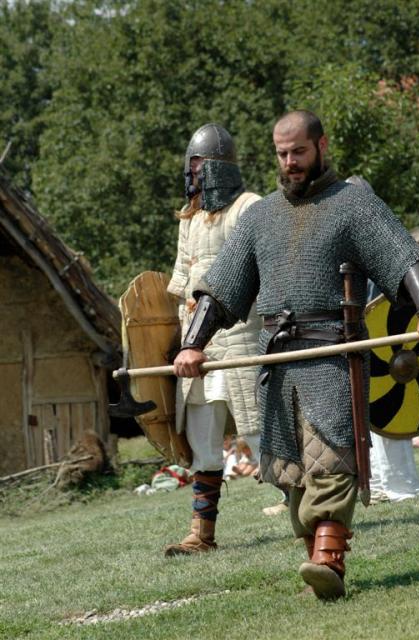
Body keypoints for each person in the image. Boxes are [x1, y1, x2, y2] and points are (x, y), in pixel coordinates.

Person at [172, 110, 419, 599]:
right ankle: (319, 563)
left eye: (299, 152)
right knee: (292, 474)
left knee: (331, 461)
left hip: (333, 354)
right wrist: (193, 343)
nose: (290, 162)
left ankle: (329, 560)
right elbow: (221, 289)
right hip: (278, 362)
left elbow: (403, 257)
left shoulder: (354, 205)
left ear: (321, 146)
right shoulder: (261, 217)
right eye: (282, 154)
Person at [164, 123, 263, 557]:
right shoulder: (188, 218)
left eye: (200, 164)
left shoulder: (250, 207)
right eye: (191, 165)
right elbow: (181, 285)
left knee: (260, 435)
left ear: (221, 166)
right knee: (203, 443)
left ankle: (308, 514)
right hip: (198, 348)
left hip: (242, 338)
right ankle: (201, 533)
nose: (193, 173)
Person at [346, 176, 419, 504]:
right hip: (361, 343)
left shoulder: (386, 241)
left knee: (391, 414)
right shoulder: (341, 244)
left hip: (393, 347)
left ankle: (395, 481)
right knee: (371, 414)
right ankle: (379, 480)